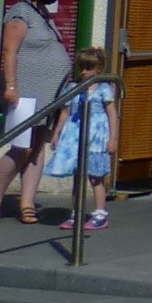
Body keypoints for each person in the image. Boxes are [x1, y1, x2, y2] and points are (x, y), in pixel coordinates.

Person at [0, 0, 72, 226]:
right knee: (21, 147)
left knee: (37, 148)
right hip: (26, 93)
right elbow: (9, 52)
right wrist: (10, 87)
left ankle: (27, 202)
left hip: (46, 95)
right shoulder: (21, 13)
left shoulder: (42, 13)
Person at [45, 47, 118, 231]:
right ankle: (76, 212)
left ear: (98, 69)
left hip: (96, 135)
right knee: (78, 177)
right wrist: (57, 133)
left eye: (89, 68)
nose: (84, 72)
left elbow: (112, 114)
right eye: (82, 68)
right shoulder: (74, 87)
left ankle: (100, 213)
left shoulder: (104, 89)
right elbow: (66, 111)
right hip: (76, 134)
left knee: (95, 176)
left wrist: (113, 138)